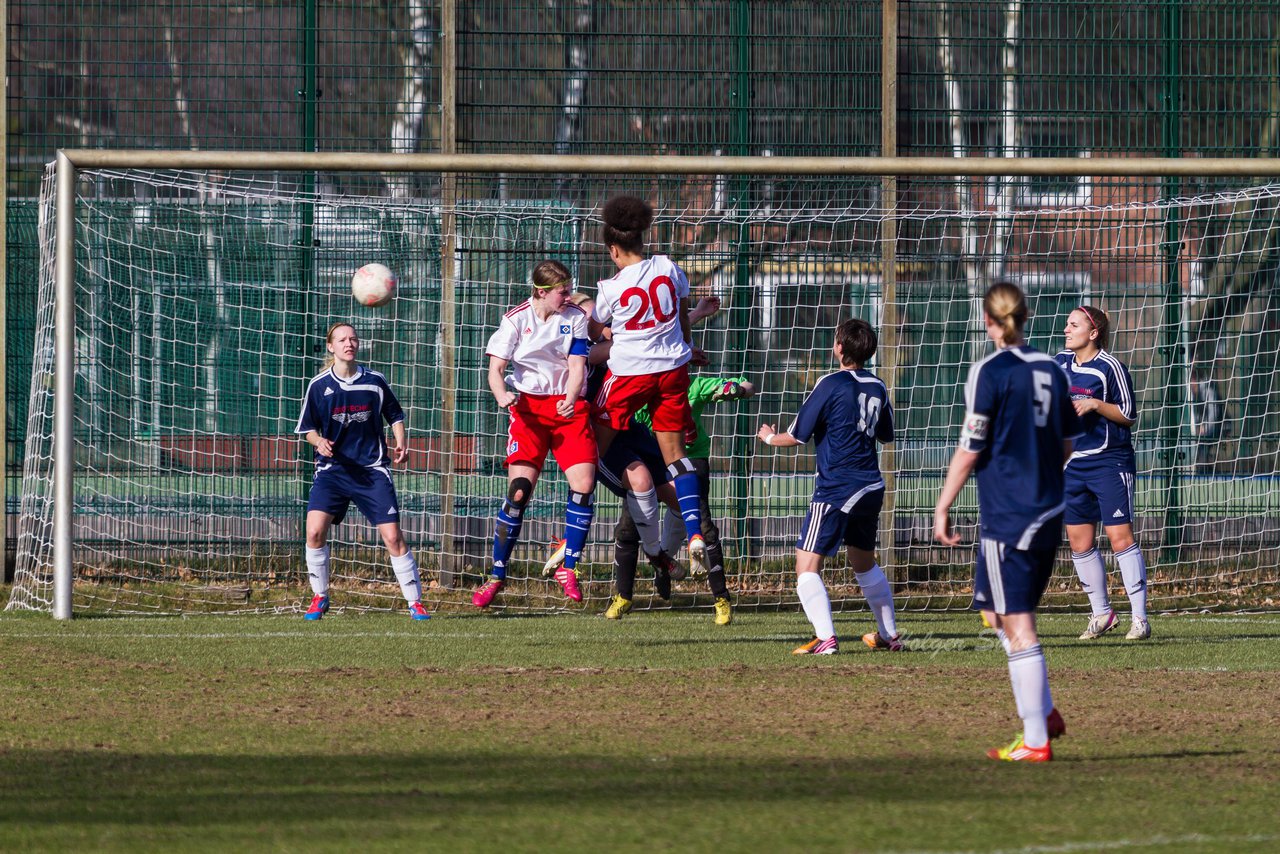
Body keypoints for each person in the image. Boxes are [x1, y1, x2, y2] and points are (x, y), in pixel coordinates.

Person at [934, 281, 1081, 762]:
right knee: (996, 612)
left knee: (1018, 626)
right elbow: (1065, 444)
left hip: (1009, 514)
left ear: (989, 321)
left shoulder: (988, 371)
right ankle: (1046, 710)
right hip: (1049, 508)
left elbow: (972, 445)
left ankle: (1036, 739)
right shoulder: (1053, 369)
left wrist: (942, 504)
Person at [757, 318, 903, 655]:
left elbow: (796, 435)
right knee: (863, 562)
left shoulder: (830, 383)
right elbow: (886, 435)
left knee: (806, 564)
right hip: (870, 485)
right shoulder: (878, 386)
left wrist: (767, 437)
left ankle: (826, 639)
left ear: (838, 347)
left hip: (838, 485)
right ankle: (889, 636)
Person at [589, 195, 708, 576]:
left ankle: (570, 536)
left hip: (630, 374)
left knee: (590, 446)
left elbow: (594, 328)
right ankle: (694, 534)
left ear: (613, 249)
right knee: (676, 458)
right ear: (642, 237)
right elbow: (681, 318)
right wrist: (688, 349)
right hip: (673, 370)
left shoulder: (610, 288)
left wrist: (605, 329)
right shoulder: (669, 267)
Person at [473, 260, 597, 609]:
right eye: (562, 290)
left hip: (567, 410)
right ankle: (497, 575)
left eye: (569, 288)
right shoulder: (516, 319)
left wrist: (572, 399)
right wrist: (502, 396)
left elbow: (577, 366)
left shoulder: (574, 318)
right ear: (541, 291)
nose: (568, 295)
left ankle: (569, 567)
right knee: (519, 492)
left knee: (584, 485)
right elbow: (496, 369)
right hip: (528, 411)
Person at [295, 322, 429, 621]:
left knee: (393, 538)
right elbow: (307, 429)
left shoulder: (374, 381)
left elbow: (394, 414)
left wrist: (401, 443)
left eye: (353, 338)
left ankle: (415, 602)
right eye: (342, 339)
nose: (349, 343)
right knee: (314, 531)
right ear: (331, 346)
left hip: (371, 471)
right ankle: (320, 597)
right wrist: (320, 443)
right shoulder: (318, 385)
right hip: (333, 472)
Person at [1056, 306, 1150, 641]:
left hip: (1110, 462)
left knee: (1120, 538)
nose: (1066, 329)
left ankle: (1139, 618)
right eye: (1067, 323)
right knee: (1079, 544)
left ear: (1093, 333)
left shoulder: (1110, 367)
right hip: (1072, 464)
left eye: (1074, 324)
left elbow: (1128, 414)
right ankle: (1102, 614)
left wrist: (1096, 405)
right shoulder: (1059, 363)